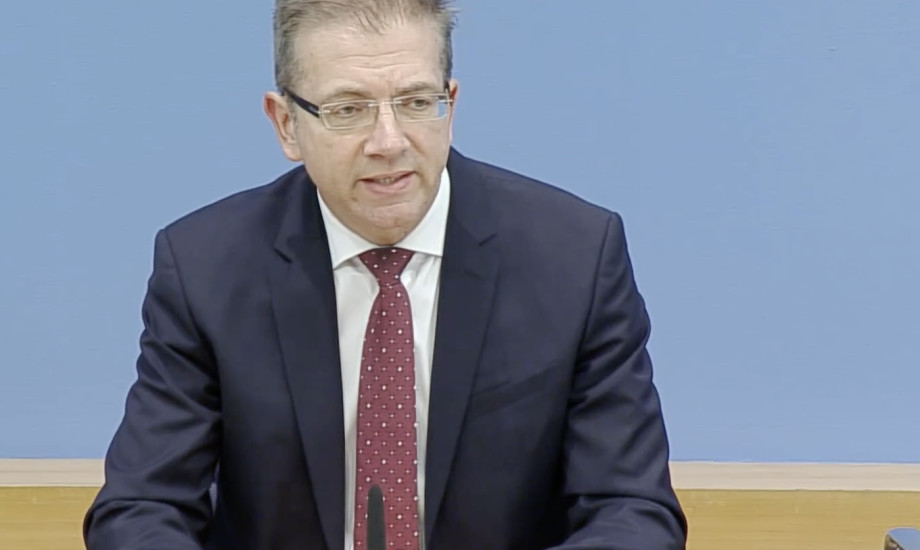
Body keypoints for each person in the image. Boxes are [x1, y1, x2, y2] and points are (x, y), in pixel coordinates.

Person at [83, 1, 688, 548]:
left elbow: (632, 511)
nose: (389, 141)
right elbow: (141, 509)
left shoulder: (573, 258)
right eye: (348, 110)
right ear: (286, 123)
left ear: (451, 106)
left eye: (416, 102)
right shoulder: (206, 266)